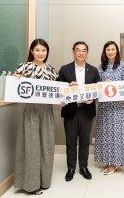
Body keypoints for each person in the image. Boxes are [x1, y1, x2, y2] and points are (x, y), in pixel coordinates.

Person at [13, 39, 58, 195]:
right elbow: (15, 87)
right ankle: (32, 185)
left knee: (46, 144)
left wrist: (69, 88)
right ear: (32, 51)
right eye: (37, 50)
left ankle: (45, 181)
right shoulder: (24, 67)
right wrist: (16, 78)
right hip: (30, 110)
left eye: (44, 50)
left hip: (46, 110)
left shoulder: (52, 70)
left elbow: (58, 90)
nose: (41, 53)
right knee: (31, 146)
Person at [57, 41, 100, 181]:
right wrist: (69, 89)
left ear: (87, 53)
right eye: (78, 50)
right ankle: (70, 168)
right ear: (73, 52)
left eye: (84, 50)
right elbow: (58, 90)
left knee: (85, 141)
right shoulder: (64, 69)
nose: (81, 53)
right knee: (70, 141)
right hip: (71, 110)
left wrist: (92, 99)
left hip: (87, 111)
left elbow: (97, 91)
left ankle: (83, 167)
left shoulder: (94, 70)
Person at [94, 41, 124, 175]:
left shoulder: (122, 66)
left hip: (117, 105)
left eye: (112, 49)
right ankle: (108, 161)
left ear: (117, 51)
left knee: (117, 134)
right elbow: (97, 86)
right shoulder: (99, 67)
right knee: (105, 134)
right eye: (108, 50)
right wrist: (103, 83)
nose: (110, 52)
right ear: (104, 52)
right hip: (104, 106)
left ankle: (115, 163)